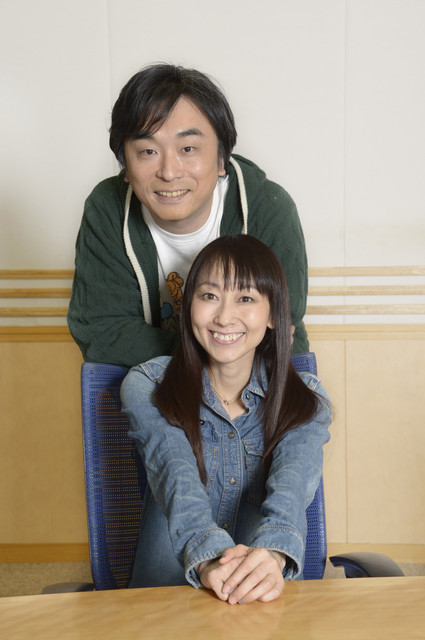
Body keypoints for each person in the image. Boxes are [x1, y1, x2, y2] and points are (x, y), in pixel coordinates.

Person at [121, 235, 331, 604]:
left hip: (263, 601)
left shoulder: (305, 400)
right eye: (209, 296)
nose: (223, 317)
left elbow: (291, 491)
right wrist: (208, 560)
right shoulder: (148, 385)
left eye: (246, 298)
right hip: (165, 604)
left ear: (273, 316)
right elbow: (176, 476)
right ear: (189, 307)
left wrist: (272, 556)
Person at [68, 64, 310, 368]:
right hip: (150, 386)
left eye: (188, 148)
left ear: (221, 158)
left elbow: (280, 324)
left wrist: (208, 349)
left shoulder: (267, 207)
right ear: (125, 164)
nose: (169, 172)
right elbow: (101, 332)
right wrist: (216, 348)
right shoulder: (107, 208)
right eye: (148, 151)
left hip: (265, 382)